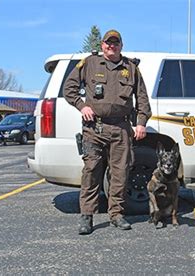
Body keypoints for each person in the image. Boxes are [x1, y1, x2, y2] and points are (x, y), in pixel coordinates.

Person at [64, 29, 152, 235]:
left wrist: (141, 123)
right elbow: (69, 88)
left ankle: (117, 214)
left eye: (115, 43)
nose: (111, 46)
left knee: (120, 173)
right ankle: (87, 216)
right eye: (108, 43)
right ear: (102, 45)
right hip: (95, 127)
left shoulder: (131, 68)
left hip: (121, 128)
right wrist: (81, 106)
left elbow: (142, 99)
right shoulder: (90, 63)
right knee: (91, 171)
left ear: (121, 45)